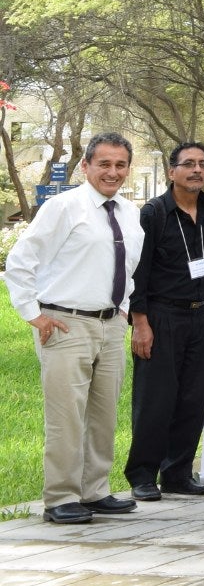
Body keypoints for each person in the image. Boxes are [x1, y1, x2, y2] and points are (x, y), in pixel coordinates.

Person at [8, 132, 144, 524]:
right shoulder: (64, 207)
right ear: (85, 166)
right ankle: (61, 497)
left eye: (120, 165)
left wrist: (123, 310)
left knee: (103, 414)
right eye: (104, 164)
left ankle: (94, 490)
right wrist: (33, 314)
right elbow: (20, 261)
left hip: (110, 324)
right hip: (65, 324)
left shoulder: (129, 212)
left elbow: (128, 269)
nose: (112, 172)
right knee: (67, 415)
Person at [125, 141, 204, 502]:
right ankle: (142, 474)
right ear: (171, 171)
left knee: (193, 398)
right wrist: (140, 323)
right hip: (160, 315)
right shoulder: (154, 213)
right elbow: (138, 273)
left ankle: (177, 473)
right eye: (188, 164)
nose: (196, 170)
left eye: (203, 164)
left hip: (201, 313)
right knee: (155, 399)